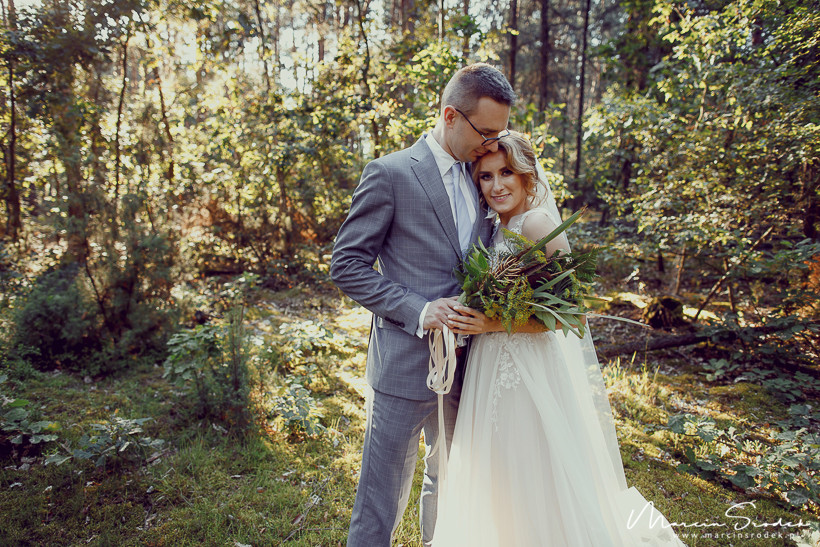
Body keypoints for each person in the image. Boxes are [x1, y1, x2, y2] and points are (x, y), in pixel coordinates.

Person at [431, 131, 687, 546]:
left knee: (528, 460)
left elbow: (572, 313)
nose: (497, 186)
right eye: (486, 176)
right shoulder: (498, 227)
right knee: (497, 464)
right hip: (489, 363)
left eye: (506, 173)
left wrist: (491, 324)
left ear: (526, 175)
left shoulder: (537, 224)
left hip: (528, 367)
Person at [330, 63, 516, 546]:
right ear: (451, 116)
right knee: (381, 497)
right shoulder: (390, 173)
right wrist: (419, 309)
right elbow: (346, 264)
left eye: (499, 133)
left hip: (470, 365)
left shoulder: (485, 174)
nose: (492, 144)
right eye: (486, 132)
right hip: (404, 363)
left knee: (450, 484)